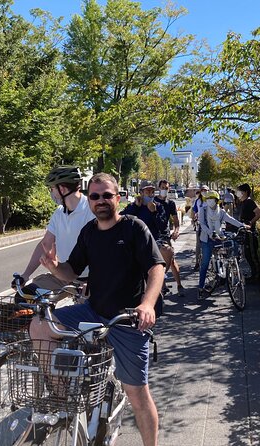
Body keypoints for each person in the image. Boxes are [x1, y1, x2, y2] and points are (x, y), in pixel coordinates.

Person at [36, 172, 165, 446]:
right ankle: (63, 398)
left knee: (137, 394)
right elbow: (71, 272)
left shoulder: (134, 228)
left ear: (117, 198)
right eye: (95, 196)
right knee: (39, 326)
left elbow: (156, 268)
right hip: (92, 312)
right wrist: (54, 267)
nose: (101, 201)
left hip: (127, 320)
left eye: (107, 195)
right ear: (90, 201)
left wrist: (147, 304)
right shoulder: (89, 232)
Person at [12, 165, 94, 291]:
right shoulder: (59, 212)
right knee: (27, 295)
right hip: (63, 275)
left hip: (90, 280)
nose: (51, 193)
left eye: (52, 188)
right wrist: (25, 275)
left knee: (82, 309)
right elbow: (45, 244)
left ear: (62, 189)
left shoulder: (91, 211)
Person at [197, 190, 248, 298]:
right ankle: (201, 287)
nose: (210, 201)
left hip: (219, 236)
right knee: (205, 263)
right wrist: (211, 233)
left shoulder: (221, 212)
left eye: (213, 199)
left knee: (232, 245)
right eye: (208, 199)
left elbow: (231, 219)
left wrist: (242, 225)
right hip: (207, 238)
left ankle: (230, 270)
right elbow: (202, 224)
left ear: (216, 201)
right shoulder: (203, 210)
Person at [154, 179, 185, 296]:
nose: (164, 190)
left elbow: (176, 221)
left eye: (166, 188)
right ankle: (162, 286)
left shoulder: (170, 203)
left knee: (171, 260)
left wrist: (176, 231)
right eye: (162, 187)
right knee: (157, 262)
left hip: (165, 235)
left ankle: (179, 285)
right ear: (158, 188)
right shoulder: (153, 201)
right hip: (153, 235)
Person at [236, 183, 260, 284]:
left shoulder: (249, 202)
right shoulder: (243, 202)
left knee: (252, 255)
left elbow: (259, 213)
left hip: (250, 233)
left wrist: (251, 223)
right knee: (247, 255)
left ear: (245, 192)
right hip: (244, 232)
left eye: (239, 192)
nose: (238, 194)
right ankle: (253, 275)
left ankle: (257, 277)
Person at [190, 185, 209, 270]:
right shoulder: (198, 201)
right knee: (198, 244)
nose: (204, 192)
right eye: (203, 190)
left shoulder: (211, 200)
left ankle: (209, 262)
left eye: (206, 190)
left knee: (210, 243)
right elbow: (194, 211)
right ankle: (197, 262)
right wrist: (193, 219)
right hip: (200, 225)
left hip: (210, 226)